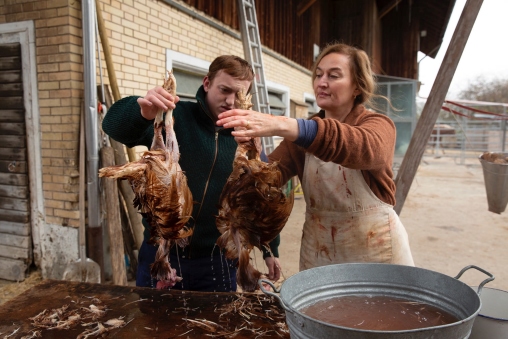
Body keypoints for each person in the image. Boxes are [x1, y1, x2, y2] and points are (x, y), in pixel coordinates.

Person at [216, 43, 414, 270]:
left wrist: (284, 125)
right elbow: (267, 180)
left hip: (375, 250)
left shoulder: (378, 125)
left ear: (357, 86)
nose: (321, 82)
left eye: (334, 75)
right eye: (318, 74)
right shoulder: (299, 139)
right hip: (320, 251)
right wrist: (252, 152)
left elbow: (361, 147)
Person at [102, 55, 281, 291]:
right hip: (162, 253)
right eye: (224, 90)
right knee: (152, 324)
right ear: (207, 83)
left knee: (213, 326)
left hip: (218, 260)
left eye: (238, 95)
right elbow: (113, 126)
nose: (230, 101)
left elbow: (261, 198)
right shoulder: (175, 118)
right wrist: (142, 111)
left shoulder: (247, 139)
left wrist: (269, 249)